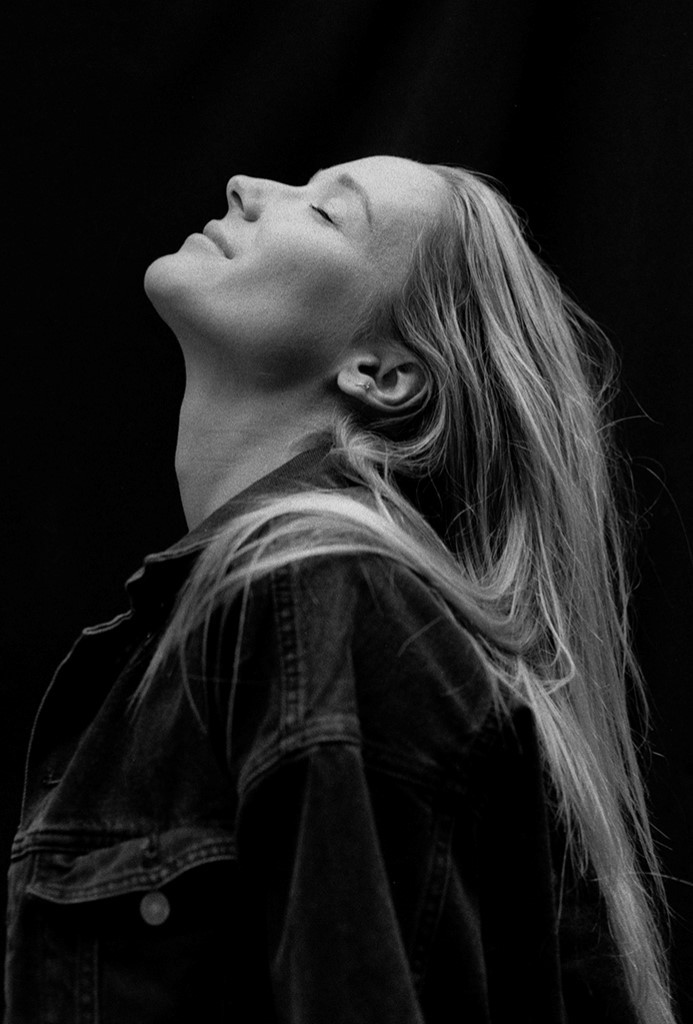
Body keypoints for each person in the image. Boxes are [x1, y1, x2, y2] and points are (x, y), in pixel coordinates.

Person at [4, 156, 676, 1023]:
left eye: (326, 212)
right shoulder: (292, 603)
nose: (245, 187)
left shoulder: (317, 593)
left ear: (384, 373)